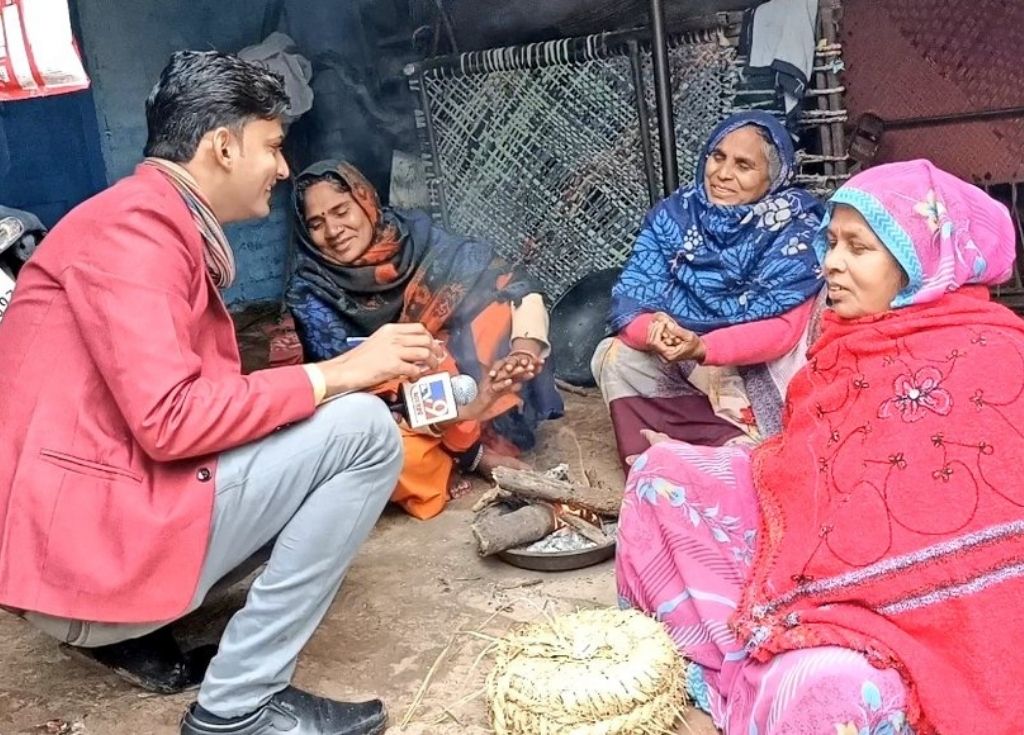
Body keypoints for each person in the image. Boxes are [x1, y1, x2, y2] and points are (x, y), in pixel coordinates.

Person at [0, 50, 442, 735]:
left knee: (326, 415)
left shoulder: (144, 220)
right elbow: (173, 420)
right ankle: (240, 702)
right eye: (272, 146)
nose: (284, 167)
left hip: (85, 541)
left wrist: (331, 379)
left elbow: (197, 407)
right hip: (85, 561)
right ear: (222, 146)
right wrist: (337, 375)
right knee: (363, 431)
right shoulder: (136, 231)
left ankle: (141, 635)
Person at [615, 160, 1024, 734]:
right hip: (828, 560)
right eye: (831, 242)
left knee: (824, 689)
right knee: (662, 475)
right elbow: (817, 468)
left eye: (859, 247)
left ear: (919, 263)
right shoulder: (846, 345)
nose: (831, 262)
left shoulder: (993, 354)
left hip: (920, 613)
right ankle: (714, 663)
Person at [286, 160, 564, 520]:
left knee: (503, 310)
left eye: (341, 211)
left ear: (366, 202)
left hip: (457, 375)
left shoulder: (416, 238)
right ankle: (472, 455)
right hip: (393, 401)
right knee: (382, 449)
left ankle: (485, 434)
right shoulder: (311, 289)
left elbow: (512, 282)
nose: (334, 230)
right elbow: (352, 383)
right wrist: (449, 401)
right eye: (316, 224)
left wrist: (522, 350)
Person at [593, 111, 824, 464]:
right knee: (615, 356)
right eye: (718, 157)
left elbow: (783, 332)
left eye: (744, 165)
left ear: (772, 177)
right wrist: (656, 333)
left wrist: (702, 346)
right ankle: (664, 463)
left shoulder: (797, 229)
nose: (723, 173)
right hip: (689, 357)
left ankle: (743, 455)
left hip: (757, 368)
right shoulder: (676, 215)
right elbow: (631, 301)